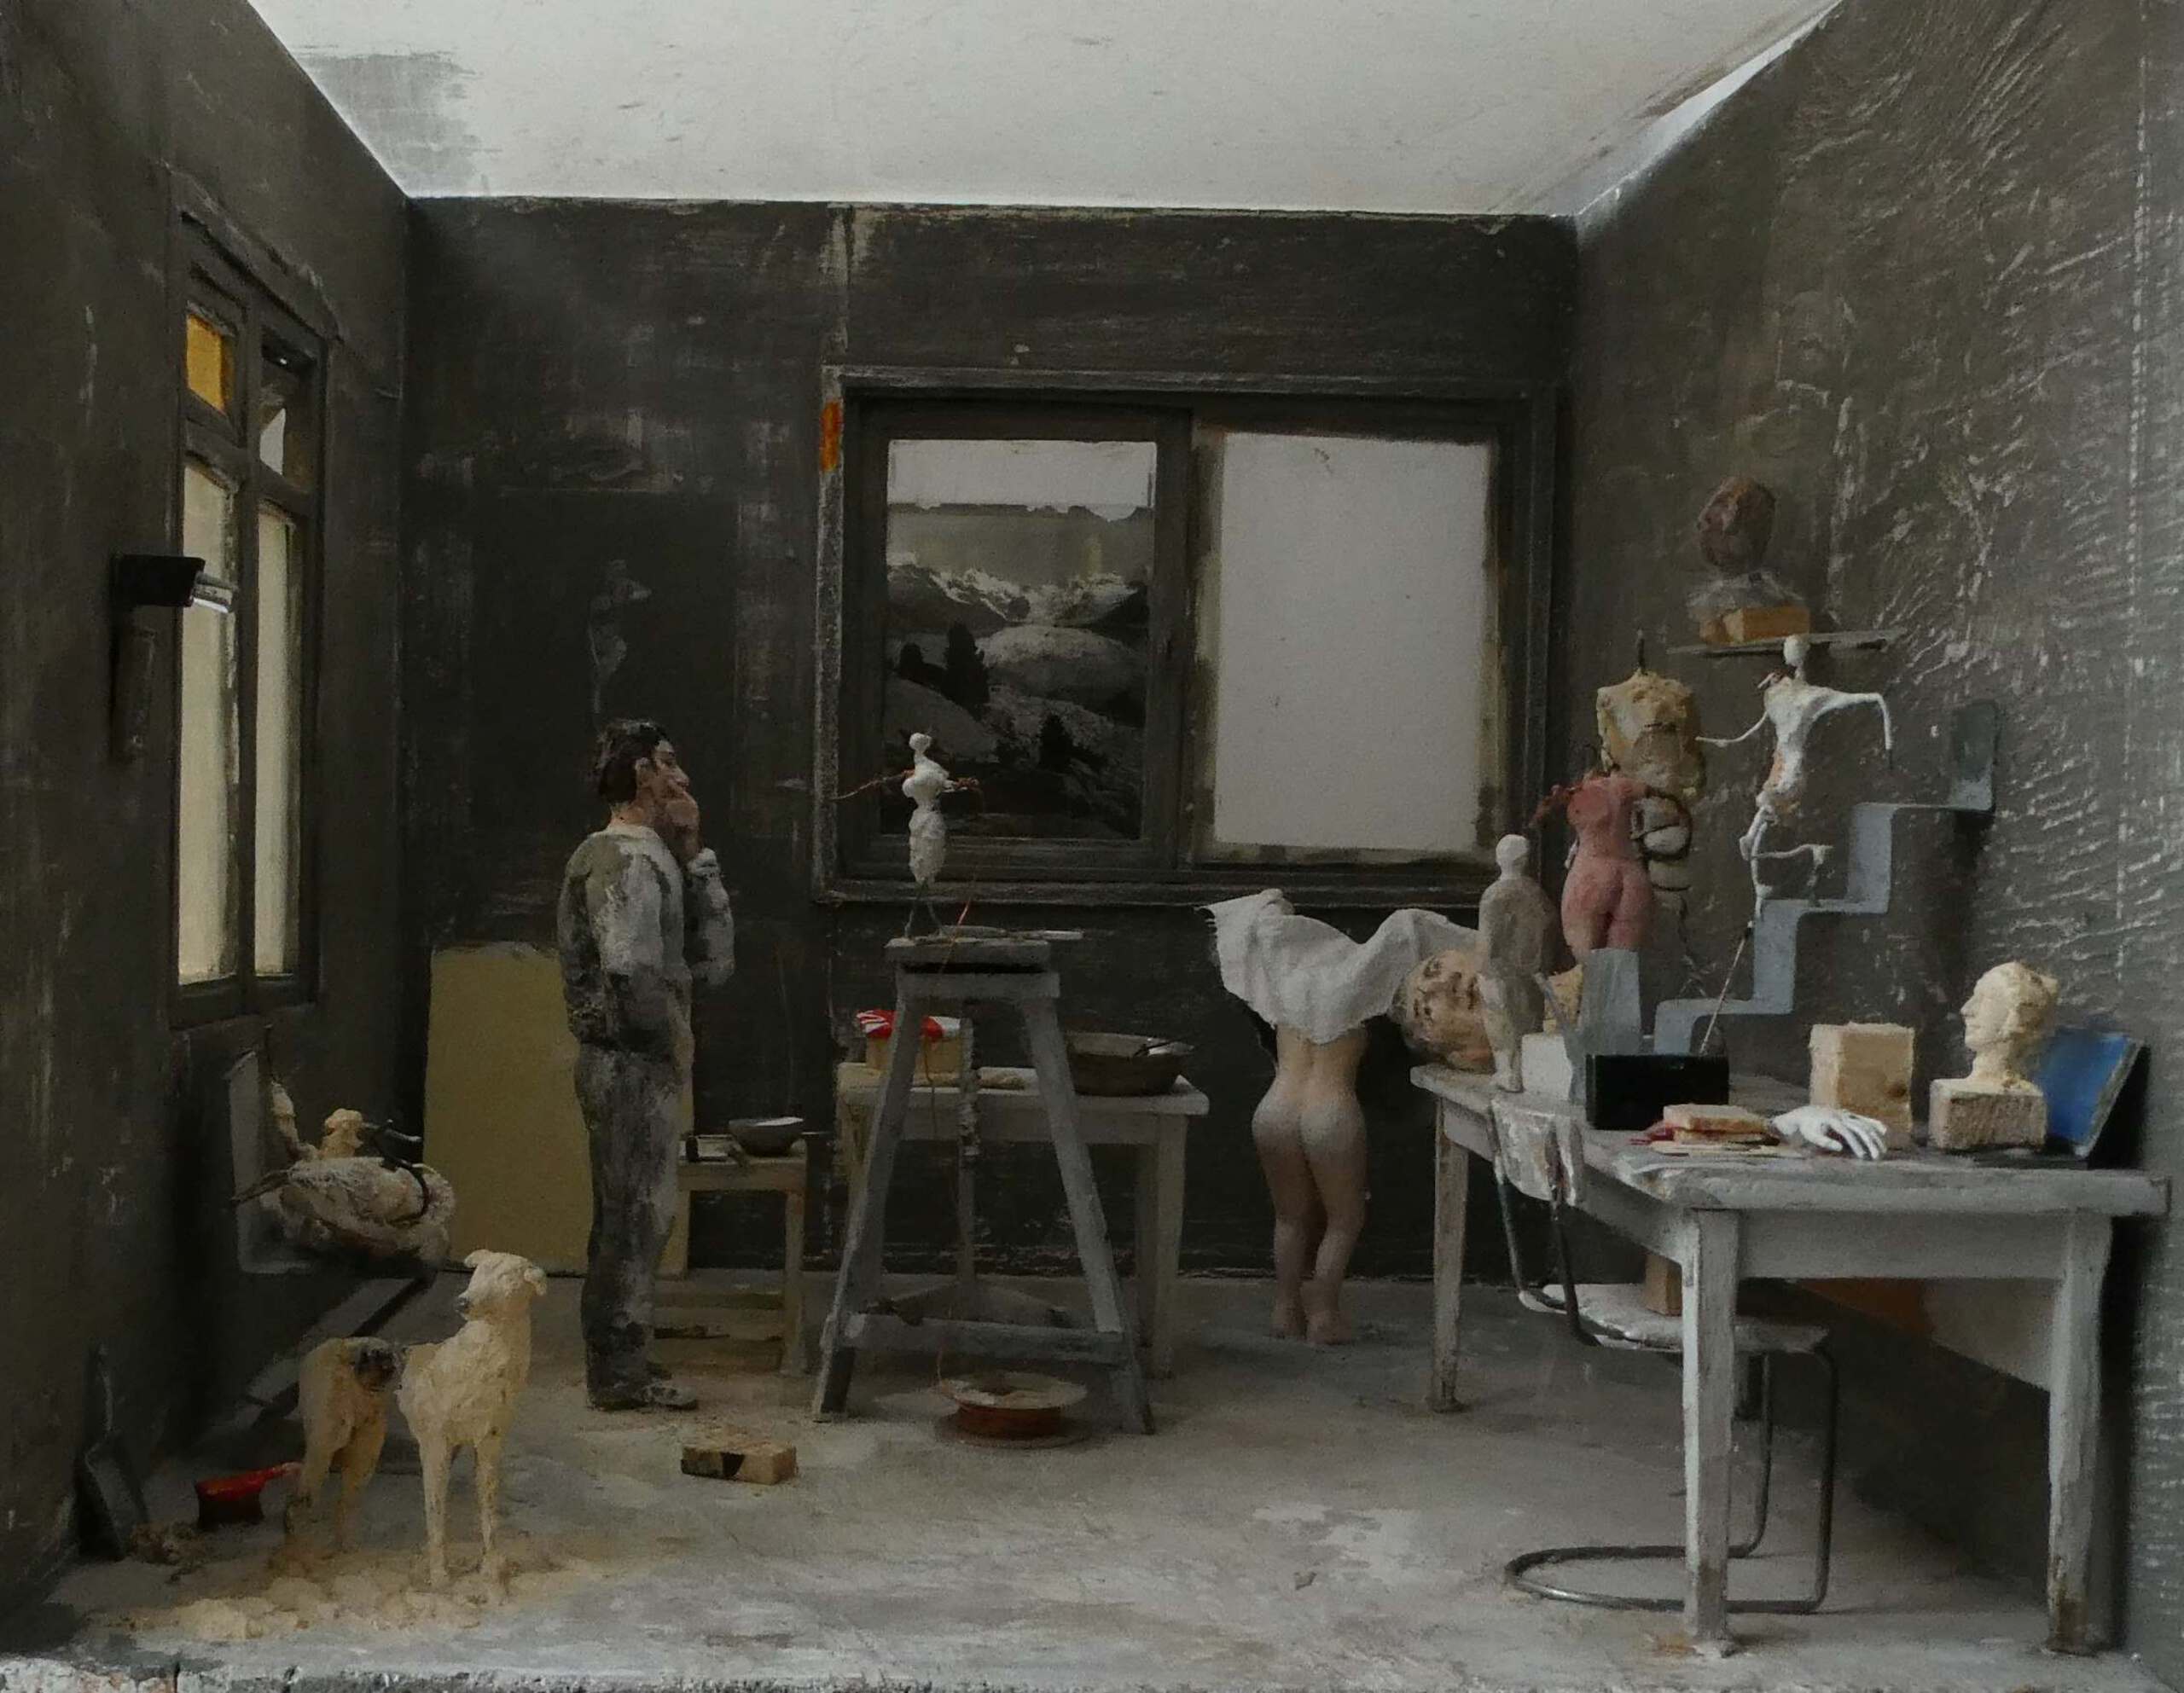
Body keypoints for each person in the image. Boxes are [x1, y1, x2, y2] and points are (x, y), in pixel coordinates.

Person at [556, 719, 735, 1409]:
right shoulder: (622, 859)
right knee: (633, 1216)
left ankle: (624, 1361)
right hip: (629, 1065)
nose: (682, 777)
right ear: (640, 776)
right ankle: (620, 1371)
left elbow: (714, 965)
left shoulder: (654, 856)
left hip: (644, 1063)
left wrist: (694, 854)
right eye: (668, 762)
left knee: (641, 1215)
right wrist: (667, 1045)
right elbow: (630, 971)